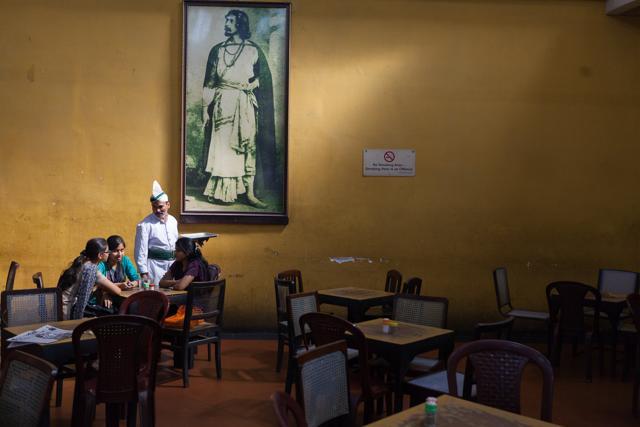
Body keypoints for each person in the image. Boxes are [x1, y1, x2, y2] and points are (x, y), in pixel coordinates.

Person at [200, 9, 277, 209]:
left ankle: (249, 193)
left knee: (247, 147)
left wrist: (252, 85)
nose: (227, 24)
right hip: (222, 102)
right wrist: (204, 109)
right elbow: (209, 82)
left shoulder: (253, 49)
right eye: (226, 20)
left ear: (240, 24)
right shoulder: (217, 50)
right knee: (224, 147)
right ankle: (221, 192)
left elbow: (264, 78)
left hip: (244, 103)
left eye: (231, 21)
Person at [57, 238, 128, 320]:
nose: (109, 254)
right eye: (107, 252)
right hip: (67, 310)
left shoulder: (84, 262)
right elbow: (82, 299)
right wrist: (77, 323)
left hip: (63, 305)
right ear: (100, 255)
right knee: (112, 313)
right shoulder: (90, 269)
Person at [134, 180, 179, 285]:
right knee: (156, 297)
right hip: (154, 269)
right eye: (154, 207)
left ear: (168, 205)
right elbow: (140, 250)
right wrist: (144, 273)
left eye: (160, 206)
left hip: (173, 267)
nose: (157, 210)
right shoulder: (145, 225)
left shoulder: (173, 221)